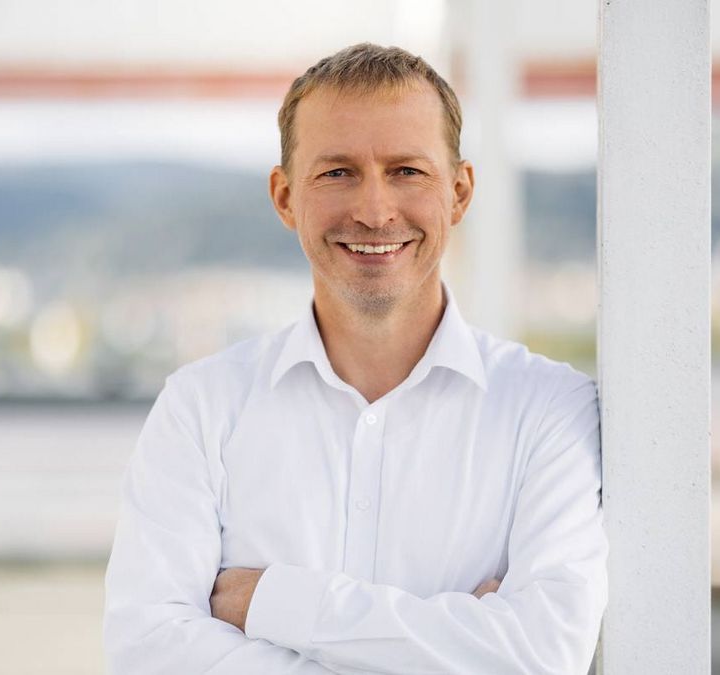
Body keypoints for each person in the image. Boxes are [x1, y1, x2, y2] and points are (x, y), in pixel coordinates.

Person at [103, 43, 607, 674]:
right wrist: (458, 644)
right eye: (338, 173)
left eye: (407, 171)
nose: (373, 211)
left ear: (459, 192)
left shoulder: (551, 409)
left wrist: (275, 602)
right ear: (285, 197)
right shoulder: (199, 408)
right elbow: (146, 653)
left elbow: (541, 656)